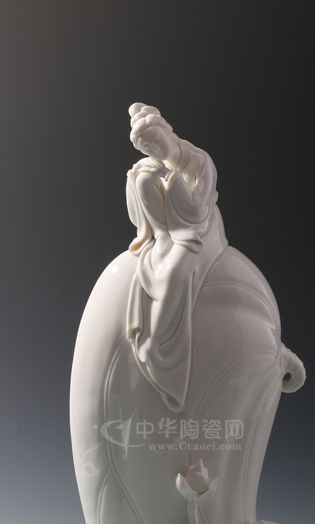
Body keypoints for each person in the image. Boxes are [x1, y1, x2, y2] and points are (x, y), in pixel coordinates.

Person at [125, 103, 227, 412]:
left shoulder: (201, 162)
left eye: (157, 141)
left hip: (200, 229)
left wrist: (175, 183)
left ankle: (158, 348)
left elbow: (197, 210)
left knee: (174, 273)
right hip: (168, 232)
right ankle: (155, 342)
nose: (155, 150)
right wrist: (139, 179)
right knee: (140, 179)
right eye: (147, 148)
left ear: (167, 132)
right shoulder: (154, 167)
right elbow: (138, 217)